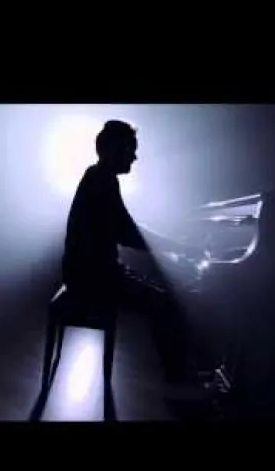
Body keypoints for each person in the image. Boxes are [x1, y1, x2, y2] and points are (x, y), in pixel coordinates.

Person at [61, 119, 203, 387]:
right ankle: (180, 383)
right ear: (113, 149)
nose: (135, 157)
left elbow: (126, 226)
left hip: (90, 272)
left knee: (162, 294)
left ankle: (185, 373)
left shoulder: (100, 177)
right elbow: (127, 233)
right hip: (89, 278)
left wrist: (169, 246)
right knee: (164, 304)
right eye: (130, 149)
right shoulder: (101, 180)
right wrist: (175, 247)